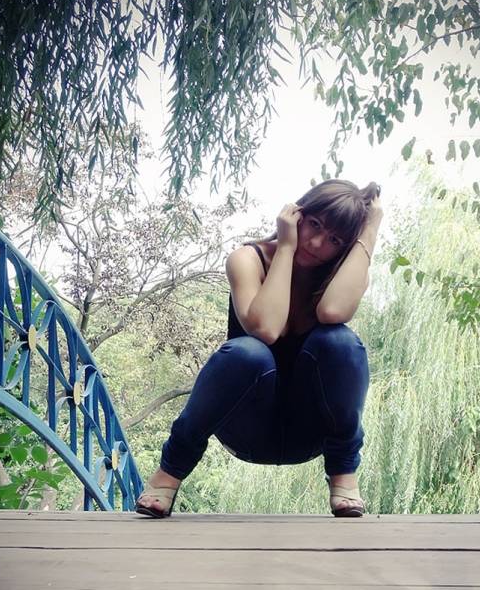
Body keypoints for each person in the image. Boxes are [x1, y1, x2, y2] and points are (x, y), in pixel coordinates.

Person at [135, 178, 383, 519]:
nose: (316, 243)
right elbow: (266, 328)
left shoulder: (347, 275)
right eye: (314, 224)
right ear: (297, 213)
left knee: (341, 342)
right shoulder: (247, 259)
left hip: (309, 432)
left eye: (335, 240)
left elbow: (332, 311)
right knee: (248, 352)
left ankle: (343, 472)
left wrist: (370, 230)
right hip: (246, 427)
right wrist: (285, 248)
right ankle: (169, 472)